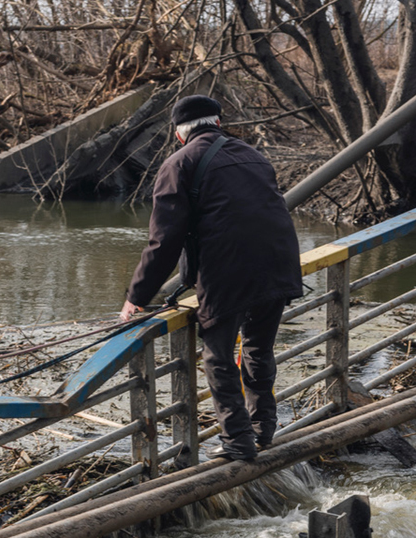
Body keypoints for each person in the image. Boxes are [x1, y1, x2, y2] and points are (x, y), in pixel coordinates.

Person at [121, 94, 303, 462]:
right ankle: (262, 429)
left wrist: (136, 296)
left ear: (178, 134)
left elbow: (164, 241)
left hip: (228, 273)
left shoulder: (178, 164)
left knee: (218, 357)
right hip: (279, 265)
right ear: (218, 123)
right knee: (258, 349)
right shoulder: (254, 155)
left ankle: (238, 442)